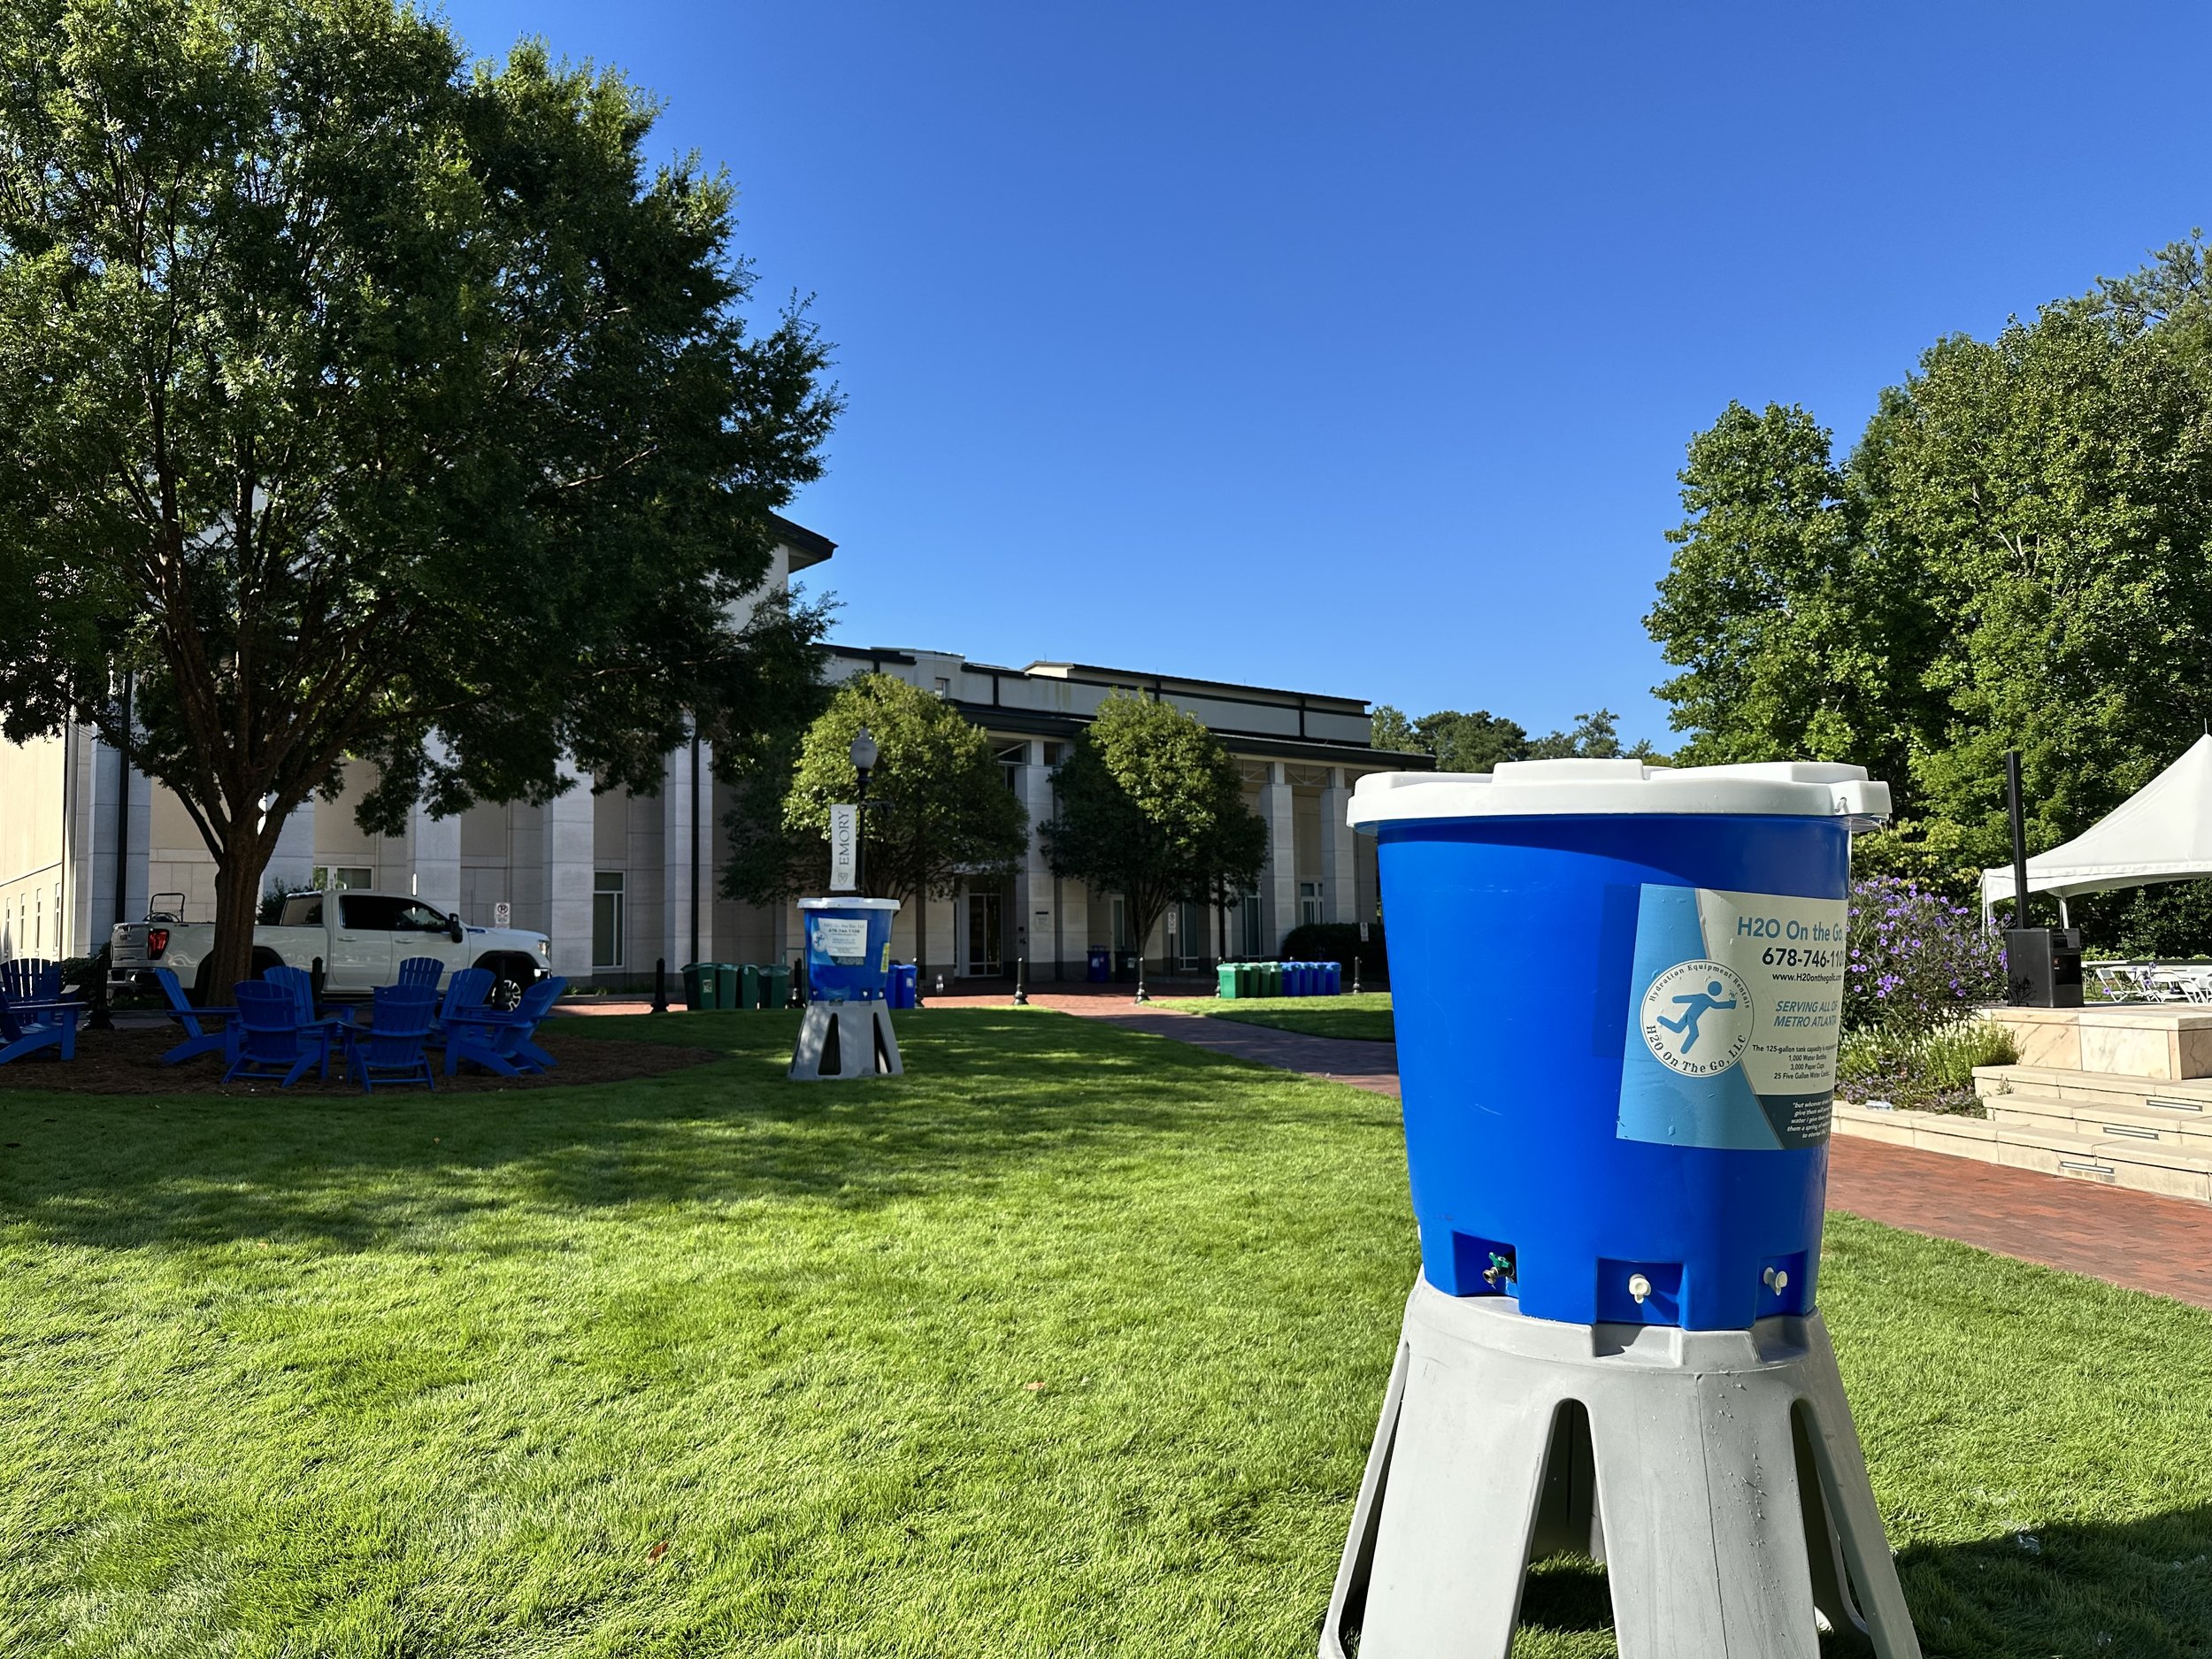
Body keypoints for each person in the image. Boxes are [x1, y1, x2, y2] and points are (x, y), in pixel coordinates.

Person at [1657, 979, 1736, 1053]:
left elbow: (1689, 998)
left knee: (1678, 1028)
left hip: (1688, 1016)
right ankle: (1683, 1051)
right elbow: (1717, 1005)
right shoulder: (1707, 999)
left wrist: (1676, 999)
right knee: (1692, 1032)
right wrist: (1732, 1002)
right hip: (1690, 1018)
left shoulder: (1702, 996)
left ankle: (1661, 1019)